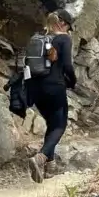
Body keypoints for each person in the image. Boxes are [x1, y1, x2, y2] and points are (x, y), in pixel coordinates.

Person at [26, 10, 76, 183]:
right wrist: (73, 81)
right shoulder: (64, 39)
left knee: (51, 124)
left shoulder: (38, 37)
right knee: (60, 125)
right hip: (54, 86)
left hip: (36, 88)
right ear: (61, 23)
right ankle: (40, 157)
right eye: (68, 26)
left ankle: (50, 166)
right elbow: (68, 66)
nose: (69, 30)